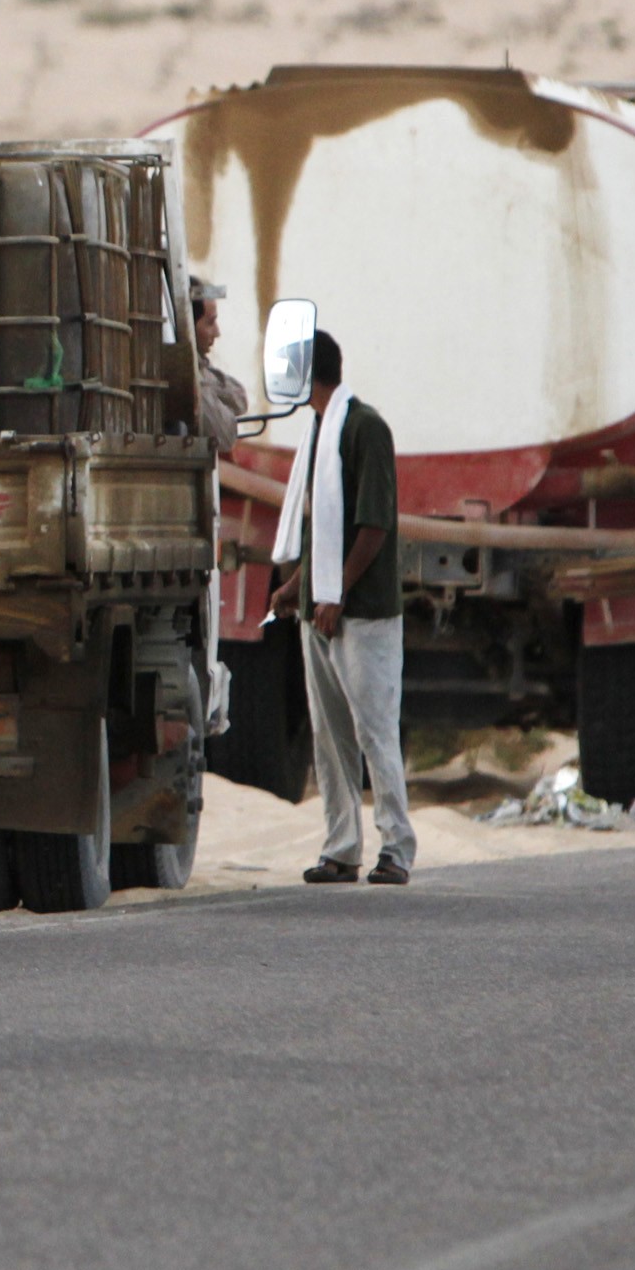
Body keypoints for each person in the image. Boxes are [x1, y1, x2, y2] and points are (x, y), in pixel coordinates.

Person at [267, 329, 415, 885]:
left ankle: (397, 847)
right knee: (328, 735)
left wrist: (337, 591)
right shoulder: (318, 431)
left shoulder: (364, 428)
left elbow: (373, 524)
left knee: (374, 730)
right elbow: (322, 530)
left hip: (363, 612)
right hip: (321, 608)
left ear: (310, 372)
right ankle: (341, 846)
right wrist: (299, 588)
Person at [193, 282, 247, 453]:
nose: (217, 332)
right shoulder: (186, 376)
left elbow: (240, 397)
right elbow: (224, 436)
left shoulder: (201, 369)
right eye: (210, 322)